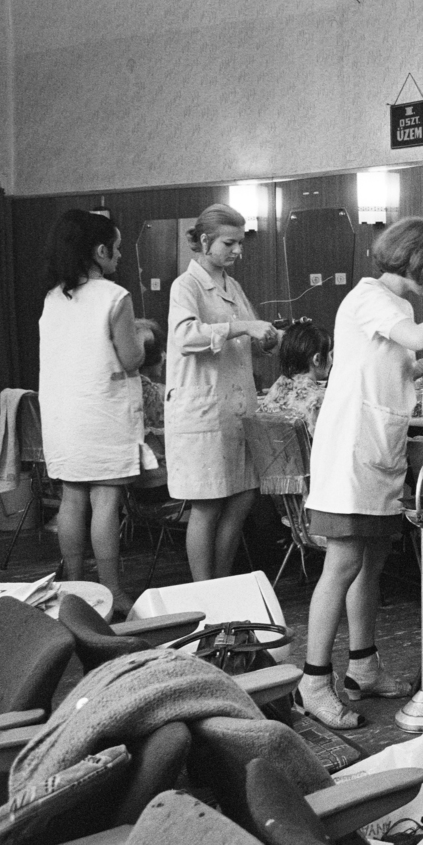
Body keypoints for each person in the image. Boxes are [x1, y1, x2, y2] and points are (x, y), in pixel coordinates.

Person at [299, 217, 423, 729]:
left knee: (371, 561)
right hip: (349, 449)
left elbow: (395, 364)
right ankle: (313, 681)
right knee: (343, 563)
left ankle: (363, 666)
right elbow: (411, 336)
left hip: (376, 446)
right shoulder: (369, 298)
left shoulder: (397, 307)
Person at [37, 210, 147, 612]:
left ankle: (75, 584)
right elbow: (131, 358)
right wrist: (144, 334)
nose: (119, 256)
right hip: (102, 411)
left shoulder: (53, 298)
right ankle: (112, 590)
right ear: (100, 251)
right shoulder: (114, 296)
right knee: (105, 501)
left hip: (64, 413)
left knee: (72, 499)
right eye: (116, 248)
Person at [165, 203, 279, 582]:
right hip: (204, 409)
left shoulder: (233, 286)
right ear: (203, 240)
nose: (237, 251)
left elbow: (244, 335)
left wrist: (267, 337)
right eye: (229, 243)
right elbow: (185, 337)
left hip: (235, 406)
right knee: (208, 505)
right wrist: (244, 326)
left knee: (243, 497)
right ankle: (204, 591)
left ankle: (224, 580)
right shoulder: (187, 285)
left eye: (240, 243)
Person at [259, 318, 332, 428]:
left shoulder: (278, 386)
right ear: (316, 359)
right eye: (330, 354)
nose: (332, 360)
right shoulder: (319, 400)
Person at [135, 318, 167, 484]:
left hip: (130, 486)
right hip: (155, 479)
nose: (165, 357)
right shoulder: (154, 392)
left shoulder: (126, 390)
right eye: (161, 351)